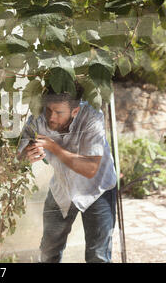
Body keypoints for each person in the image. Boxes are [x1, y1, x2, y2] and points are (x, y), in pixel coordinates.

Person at [18, 82, 117, 263]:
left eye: (58, 113)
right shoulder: (38, 117)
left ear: (75, 111)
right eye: (49, 110)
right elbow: (19, 156)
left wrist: (53, 147)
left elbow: (90, 169)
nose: (51, 117)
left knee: (98, 256)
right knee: (48, 252)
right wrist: (26, 155)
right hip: (61, 188)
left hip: (98, 190)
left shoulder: (93, 117)